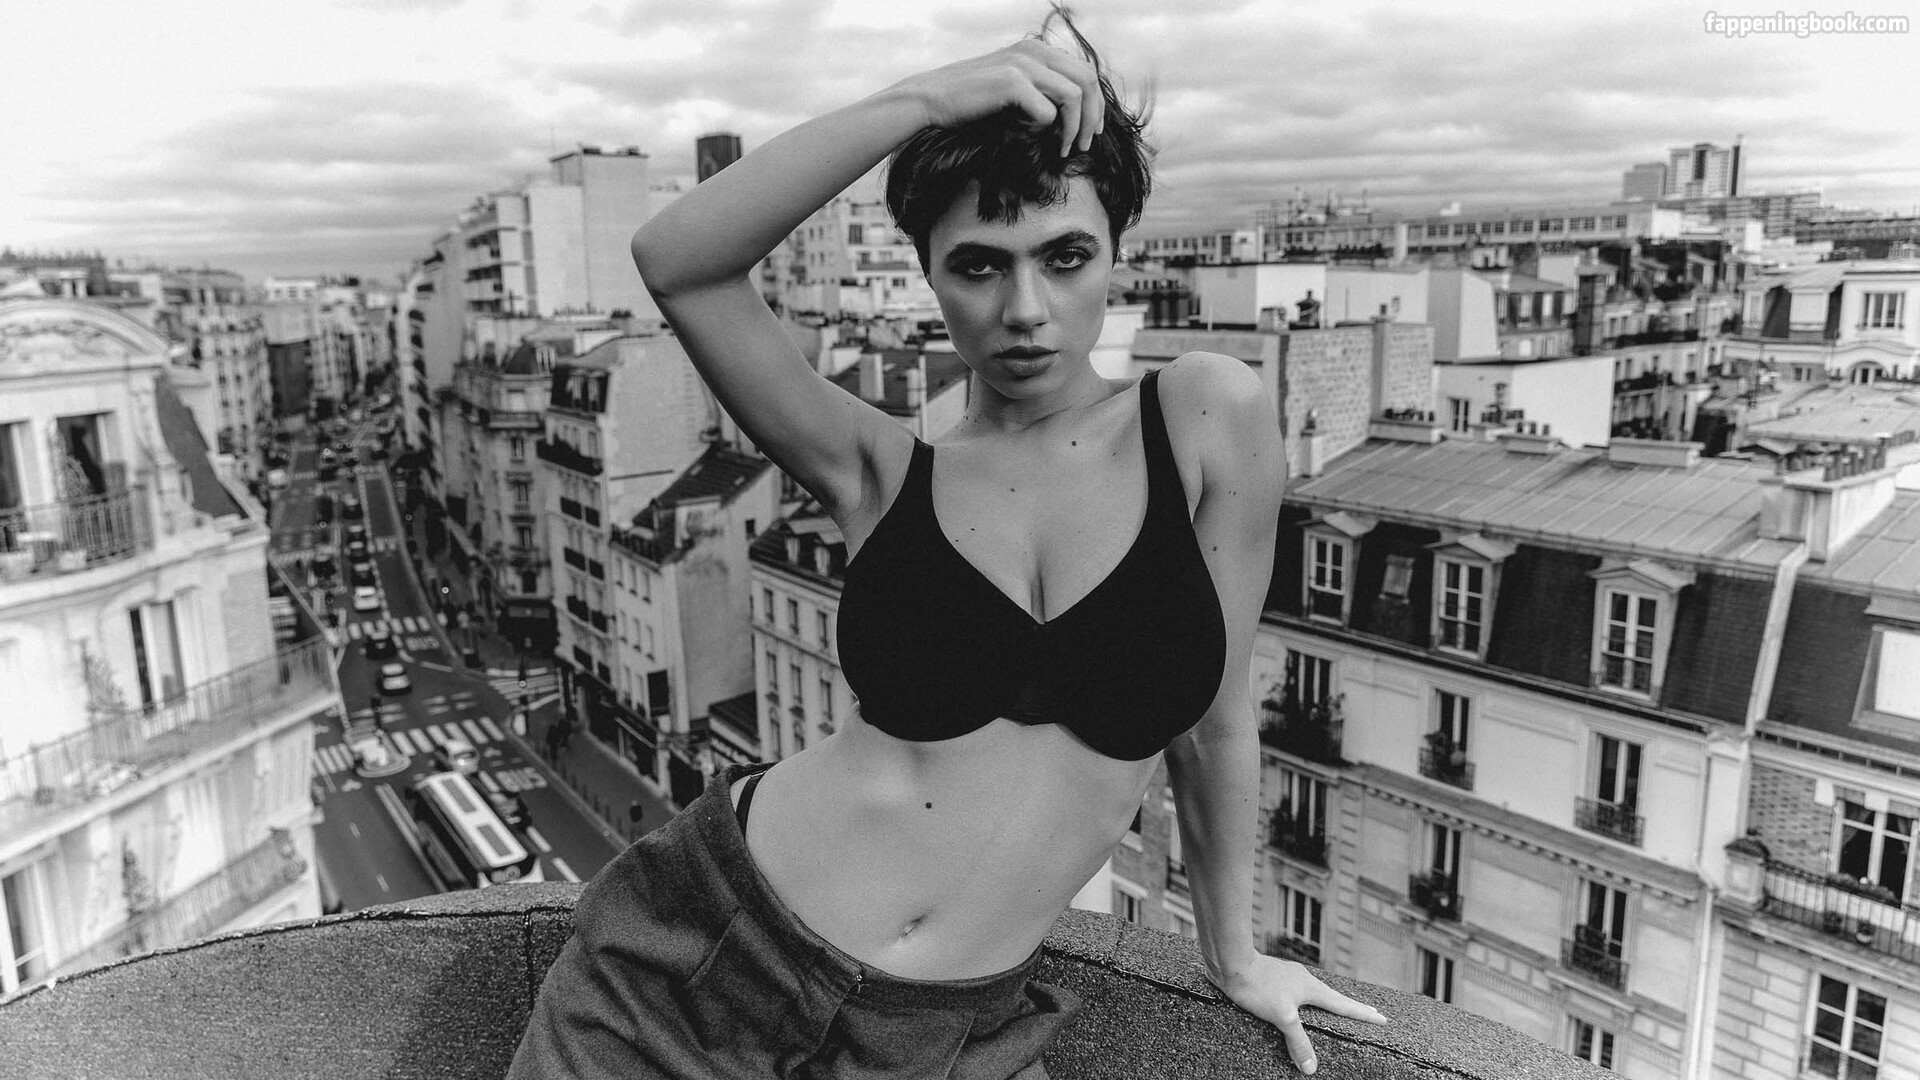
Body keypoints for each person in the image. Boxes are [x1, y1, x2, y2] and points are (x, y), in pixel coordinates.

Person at [510, 12, 1386, 1080]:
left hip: (937, 1036)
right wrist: (924, 100)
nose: (1026, 309)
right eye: (977, 265)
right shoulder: (881, 468)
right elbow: (680, 262)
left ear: (1116, 250)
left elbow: (1213, 723)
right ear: (927, 271)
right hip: (693, 964)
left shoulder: (1203, 415)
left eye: (1066, 256)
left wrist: (1234, 955)